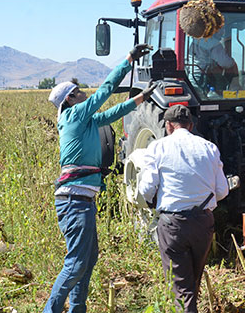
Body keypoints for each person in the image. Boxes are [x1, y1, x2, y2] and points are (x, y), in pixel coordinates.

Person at [43, 43, 155, 313]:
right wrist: (128, 60)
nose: (84, 94)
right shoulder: (73, 115)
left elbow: (113, 113)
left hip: (82, 200)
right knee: (76, 263)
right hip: (74, 200)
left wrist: (140, 98)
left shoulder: (86, 121)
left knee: (88, 259)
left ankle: (77, 309)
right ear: (69, 99)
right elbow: (105, 92)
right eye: (78, 91)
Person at [138, 105, 229, 313]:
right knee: (192, 282)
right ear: (191, 125)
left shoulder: (158, 147)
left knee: (181, 288)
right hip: (203, 224)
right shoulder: (209, 147)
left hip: (173, 226)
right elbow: (222, 191)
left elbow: (146, 188)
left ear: (169, 125)